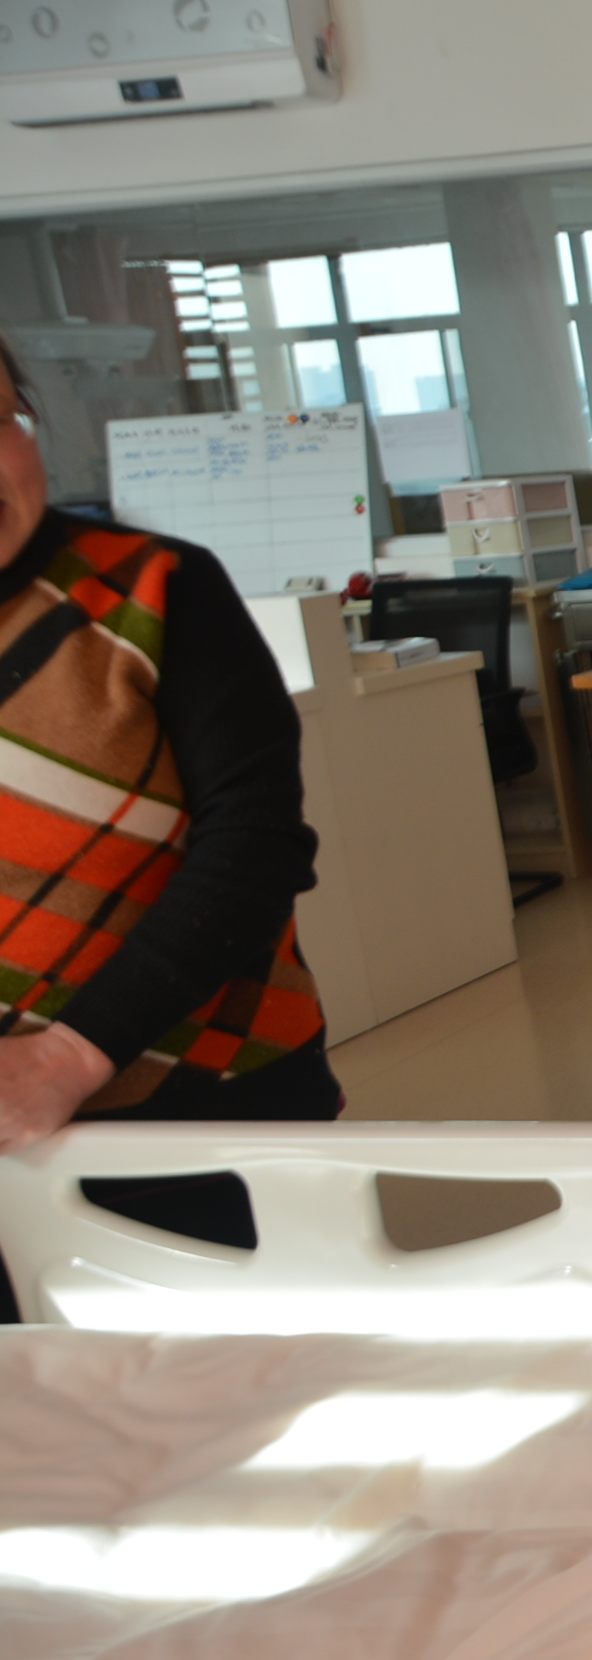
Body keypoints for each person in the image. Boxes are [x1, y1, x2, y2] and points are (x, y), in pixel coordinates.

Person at [0, 332, 338, 1321]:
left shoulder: (156, 587)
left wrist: (70, 1056)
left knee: (245, 1390)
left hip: (201, 1102)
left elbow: (255, 843)